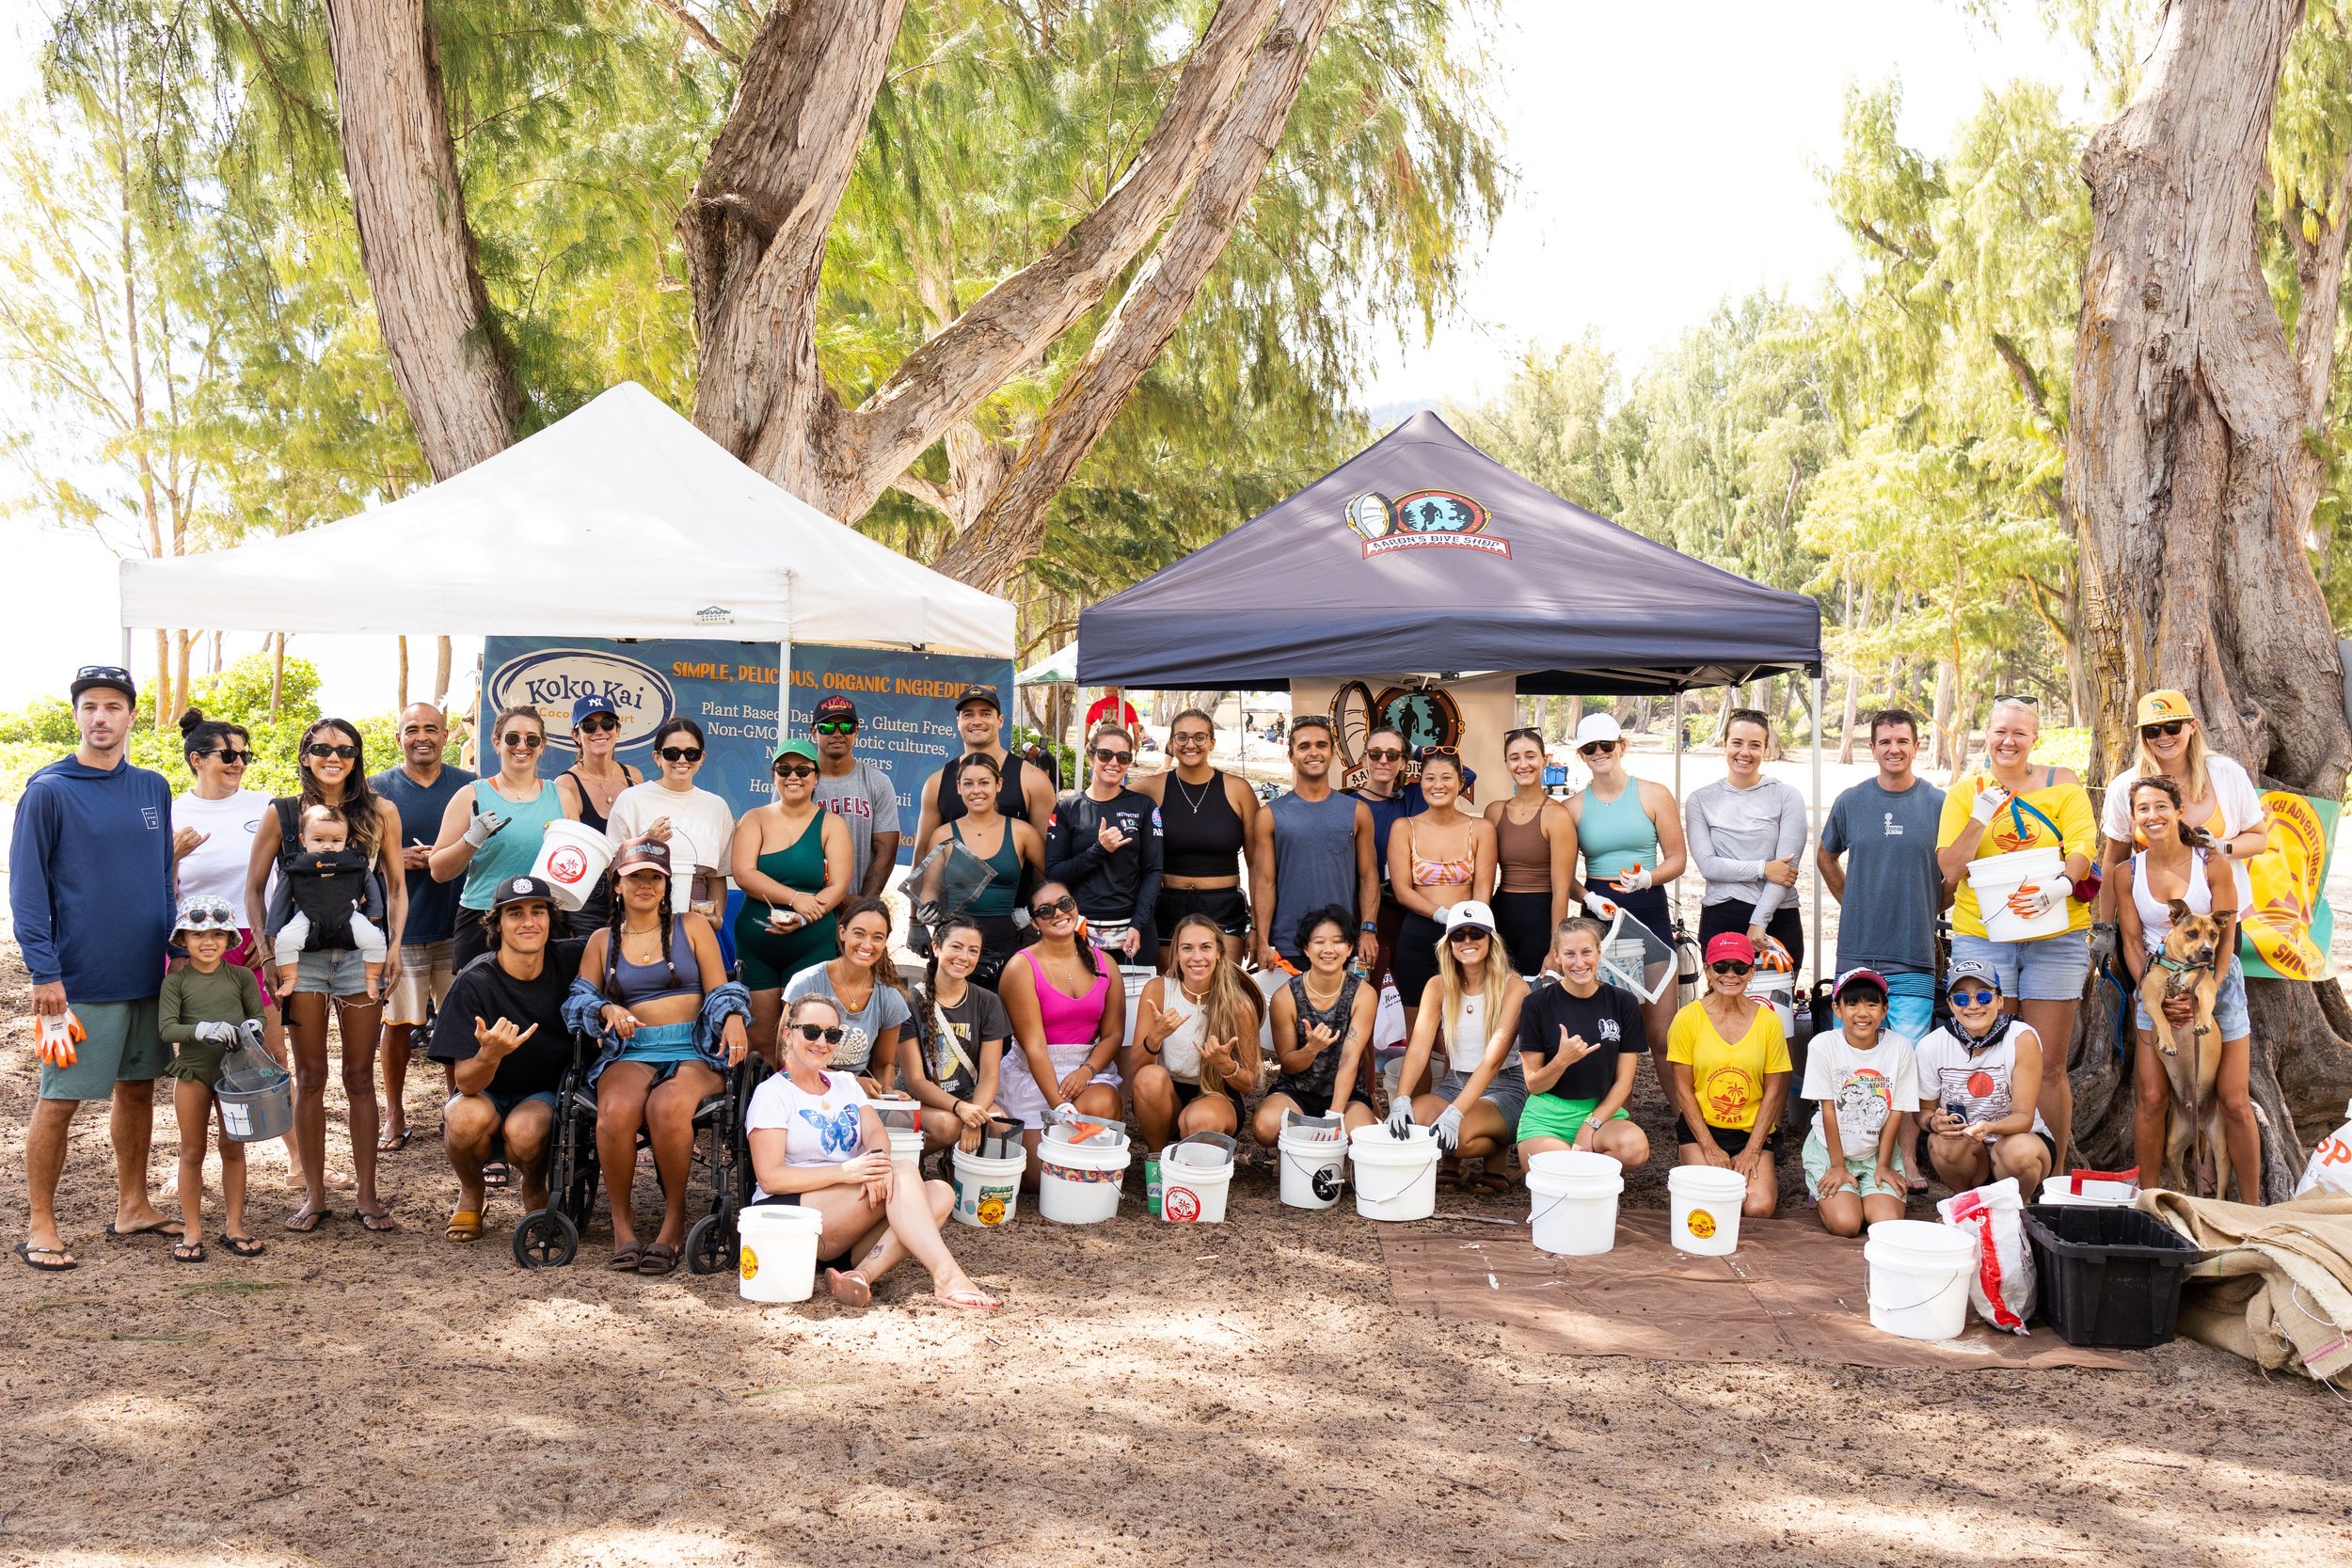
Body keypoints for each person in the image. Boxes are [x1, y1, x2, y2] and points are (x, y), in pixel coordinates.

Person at [13, 665, 179, 1270]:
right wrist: (44, 973)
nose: (101, 717)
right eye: (90, 707)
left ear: (132, 715)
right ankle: (41, 1221)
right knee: (59, 1100)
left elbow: (164, 881)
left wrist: (176, 954)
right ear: (76, 714)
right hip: (74, 985)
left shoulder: (152, 787)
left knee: (136, 1091)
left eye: (113, 706)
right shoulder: (49, 790)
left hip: (146, 978)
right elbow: (28, 893)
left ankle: (132, 1205)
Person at [246, 718, 408, 1234]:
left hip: (362, 959)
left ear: (358, 756)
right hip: (305, 963)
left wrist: (396, 948)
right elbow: (254, 888)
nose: (332, 756)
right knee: (311, 1076)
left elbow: (396, 888)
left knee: (360, 1076)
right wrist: (269, 950)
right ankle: (314, 1196)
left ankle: (367, 1194)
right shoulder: (283, 813)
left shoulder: (381, 811)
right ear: (305, 754)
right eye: (321, 748)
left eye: (344, 748)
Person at [744, 993, 999, 1311]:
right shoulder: (773, 1094)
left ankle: (860, 1274)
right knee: (904, 1171)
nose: (822, 1041)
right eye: (811, 1031)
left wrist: (876, 1162)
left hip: (849, 1219)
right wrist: (846, 1172)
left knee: (940, 1193)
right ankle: (948, 1276)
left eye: (832, 1034)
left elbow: (876, 1133)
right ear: (788, 1033)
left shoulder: (846, 1084)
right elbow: (770, 1179)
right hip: (794, 1217)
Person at [564, 839, 750, 1274]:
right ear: (616, 885)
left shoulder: (692, 927)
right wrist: (605, 1008)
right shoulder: (601, 940)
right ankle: (622, 1225)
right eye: (635, 876)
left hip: (694, 1046)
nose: (645, 884)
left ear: (666, 885)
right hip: (632, 1049)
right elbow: (576, 1001)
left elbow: (721, 988)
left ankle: (672, 1221)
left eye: (655, 877)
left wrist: (735, 1016)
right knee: (616, 1109)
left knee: (667, 1106)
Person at [1934, 694, 2095, 1169]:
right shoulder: (1965, 791)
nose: (2008, 741)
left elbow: (2083, 845)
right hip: (1983, 935)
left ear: (2034, 738)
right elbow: (1948, 867)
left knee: (2046, 1064)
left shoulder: (2063, 786)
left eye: (2019, 733)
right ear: (1987, 735)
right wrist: (1981, 815)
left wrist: (2062, 884)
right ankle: (1990, 1162)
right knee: (1989, 1058)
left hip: (2056, 936)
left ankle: (2052, 1171)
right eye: (2000, 731)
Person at [2115, 775, 2260, 1203]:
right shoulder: (2128, 873)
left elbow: (2228, 934)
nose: (2153, 816)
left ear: (2179, 812)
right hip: (2157, 985)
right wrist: (2154, 991)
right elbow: (2130, 941)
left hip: (2218, 987)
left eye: (2162, 806)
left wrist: (2206, 988)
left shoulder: (2210, 863)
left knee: (2233, 1101)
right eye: (2143, 809)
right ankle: (2152, 1200)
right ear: (2134, 817)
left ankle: (2250, 1207)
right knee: (2153, 1098)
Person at [427, 876, 583, 1243]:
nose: (528, 922)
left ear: (551, 918)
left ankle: (533, 1187)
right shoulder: (474, 981)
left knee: (526, 1132)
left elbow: (622, 939)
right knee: (462, 1119)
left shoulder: (573, 959)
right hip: (485, 1094)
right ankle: (471, 1191)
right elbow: (465, 1083)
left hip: (544, 1092)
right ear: (497, 924)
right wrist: (490, 1054)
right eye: (515, 913)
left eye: (538, 911)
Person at [369, 701, 474, 1153]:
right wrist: (392, 860)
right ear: (399, 739)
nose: (422, 737)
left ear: (447, 735)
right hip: (403, 931)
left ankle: (459, 1107)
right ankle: (395, 1111)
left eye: (431, 728)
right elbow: (353, 857)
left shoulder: (470, 788)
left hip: (461, 927)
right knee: (397, 1024)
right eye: (412, 729)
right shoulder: (376, 791)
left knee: (461, 1025)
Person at [1565, 711, 1688, 1086]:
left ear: (1622, 746)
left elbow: (1678, 858)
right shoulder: (1571, 808)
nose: (1599, 752)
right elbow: (1564, 877)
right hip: (1600, 916)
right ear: (1582, 754)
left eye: (1606, 745)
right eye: (1590, 748)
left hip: (1648, 908)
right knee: (1610, 1035)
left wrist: (1648, 878)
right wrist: (1587, 898)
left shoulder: (1653, 793)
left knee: (1663, 1033)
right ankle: (1615, 1121)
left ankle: (1684, 1121)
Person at [1817, 707, 1949, 1046]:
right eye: (1886, 741)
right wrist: (1854, 902)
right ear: (1873, 748)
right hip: (1857, 952)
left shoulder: (1939, 804)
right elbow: (1825, 856)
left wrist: (1929, 906)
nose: (1895, 749)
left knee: (1909, 1056)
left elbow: (1957, 870)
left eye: (1903, 741)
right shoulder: (1851, 801)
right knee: (1851, 1055)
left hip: (1914, 954)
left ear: (1916, 746)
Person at [1388, 901, 1531, 1191]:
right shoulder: (1438, 985)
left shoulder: (1514, 986)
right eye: (1458, 935)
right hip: (1454, 1083)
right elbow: (1417, 1049)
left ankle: (1495, 1156)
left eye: (1476, 933)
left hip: (1504, 1085)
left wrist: (1455, 1112)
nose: (1467, 941)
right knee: (1413, 1124)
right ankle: (1463, 1161)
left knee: (1459, 1134)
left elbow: (1493, 1059)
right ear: (1448, 942)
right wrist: (1401, 1098)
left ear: (1491, 939)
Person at [157, 895, 268, 1262]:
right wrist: (200, 1029)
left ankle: (234, 1225)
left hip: (233, 1076)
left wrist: (253, 1027)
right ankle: (192, 1229)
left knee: (233, 1147)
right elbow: (167, 1028)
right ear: (183, 940)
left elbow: (259, 1016)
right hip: (193, 1073)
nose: (209, 942)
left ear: (229, 940)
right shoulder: (176, 982)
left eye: (218, 935)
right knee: (192, 1150)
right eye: (198, 935)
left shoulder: (240, 977)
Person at [2099, 688, 2271, 919]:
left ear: (2193, 727)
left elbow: (2259, 839)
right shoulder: (2125, 786)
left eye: (2173, 727)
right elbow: (2113, 859)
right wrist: (2106, 926)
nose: (2164, 737)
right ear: (2142, 737)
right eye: (2152, 730)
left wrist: (2220, 847)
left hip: (2217, 919)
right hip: (2148, 918)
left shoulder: (2227, 774)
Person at [733, 736, 854, 1053]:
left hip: (811, 943)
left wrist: (803, 916)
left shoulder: (832, 824)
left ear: (816, 777)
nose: (793, 777)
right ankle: (764, 1101)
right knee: (760, 1039)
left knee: (807, 1037)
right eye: (784, 769)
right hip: (758, 946)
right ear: (773, 775)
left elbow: (838, 886)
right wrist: (794, 898)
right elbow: (744, 874)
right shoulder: (754, 818)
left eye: (802, 769)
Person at [995, 881, 1126, 1174]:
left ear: (1075, 906)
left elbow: (1114, 1034)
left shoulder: (1105, 963)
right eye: (1045, 910)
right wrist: (1059, 1106)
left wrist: (1087, 1070)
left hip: (1085, 1069)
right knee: (1039, 1177)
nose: (1058, 913)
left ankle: (1089, 1171)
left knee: (1103, 1104)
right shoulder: (1021, 967)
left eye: (1065, 903)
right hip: (1035, 1071)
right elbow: (1034, 1047)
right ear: (1034, 922)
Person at [429, 705, 572, 972]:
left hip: (541, 921)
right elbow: (438, 870)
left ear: (542, 745)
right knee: (478, 1010)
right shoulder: (471, 796)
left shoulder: (561, 797)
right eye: (512, 737)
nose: (522, 745)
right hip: (484, 919)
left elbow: (576, 866)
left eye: (532, 739)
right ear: (496, 743)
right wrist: (471, 839)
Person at [1666, 932, 1790, 1220]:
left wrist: (1752, 1150)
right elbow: (1682, 1090)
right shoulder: (1687, 1019)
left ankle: (1753, 1163)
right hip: (1703, 1130)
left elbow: (1773, 1092)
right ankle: (1689, 1153)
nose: (1730, 975)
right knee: (1712, 1203)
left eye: (1740, 967)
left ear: (1752, 972)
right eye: (1721, 967)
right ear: (1708, 971)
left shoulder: (1769, 1021)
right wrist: (1709, 1147)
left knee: (1758, 1208)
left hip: (1752, 1132)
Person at [1513, 917, 1650, 1173]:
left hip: (1601, 1111)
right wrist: (1561, 1060)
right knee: (1568, 1170)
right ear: (1556, 956)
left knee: (1634, 1147)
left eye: (1586, 952)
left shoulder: (1623, 1002)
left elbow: (1624, 1082)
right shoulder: (1537, 1004)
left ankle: (1589, 1175)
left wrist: (1591, 1125)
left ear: (1599, 952)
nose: (1579, 962)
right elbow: (1534, 1084)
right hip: (1547, 1116)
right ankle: (1591, 1178)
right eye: (1569, 954)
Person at [1248, 717, 1381, 974]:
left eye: (1321, 745)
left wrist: (1368, 929)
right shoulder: (1270, 815)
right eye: (1304, 746)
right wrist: (1262, 939)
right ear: (1291, 755)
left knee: (1345, 1014)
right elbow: (1265, 882)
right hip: (1289, 944)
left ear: (1332, 752)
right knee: (1287, 1014)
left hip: (1342, 942)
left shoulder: (1357, 811)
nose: (1313, 752)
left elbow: (1368, 876)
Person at [1914, 958, 2055, 1196]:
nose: (1973, 1006)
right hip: (1966, 1150)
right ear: (1950, 1004)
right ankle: (1966, 1204)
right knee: (1940, 1143)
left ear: (2000, 1000)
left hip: (2019, 1141)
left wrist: (1989, 1127)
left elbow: (2024, 1117)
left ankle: (2018, 1208)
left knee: (2017, 1152)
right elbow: (1923, 1110)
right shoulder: (1931, 1045)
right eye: (1961, 998)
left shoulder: (2021, 1038)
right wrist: (1932, 1123)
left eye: (1983, 997)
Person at [1799, 968, 1919, 1237]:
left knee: (1885, 1225)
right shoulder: (1823, 1045)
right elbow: (1828, 1109)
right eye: (1852, 1003)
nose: (1862, 1013)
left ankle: (1865, 1189)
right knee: (1847, 1225)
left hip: (1876, 1151)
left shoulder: (1900, 1047)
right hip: (1831, 1150)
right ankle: (1826, 1190)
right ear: (1837, 1009)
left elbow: (1896, 1112)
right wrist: (1838, 1167)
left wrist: (1884, 1165)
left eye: (1872, 1004)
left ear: (1884, 1010)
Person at [1685, 708, 1808, 970]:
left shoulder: (1787, 796)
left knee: (1777, 1010)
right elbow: (1708, 866)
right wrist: (1764, 868)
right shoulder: (1700, 799)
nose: (1745, 753)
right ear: (1724, 745)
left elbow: (1785, 871)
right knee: (1722, 1007)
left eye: (1755, 745)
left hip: (1777, 918)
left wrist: (1759, 922)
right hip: (1721, 917)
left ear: (1766, 749)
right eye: (1737, 743)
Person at [1136, 707, 1259, 964]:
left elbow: (1257, 865)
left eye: (1199, 737)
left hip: (1223, 904)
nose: (1190, 744)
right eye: (1181, 737)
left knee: (1226, 993)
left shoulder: (1238, 790)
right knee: (1171, 992)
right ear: (1171, 743)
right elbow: (1108, 798)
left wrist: (1257, 927)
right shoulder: (1151, 788)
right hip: (1169, 904)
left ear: (1212, 742)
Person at [1389, 747, 1497, 1035]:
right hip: (1417, 938)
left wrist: (1467, 925)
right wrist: (1441, 915)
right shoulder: (1404, 827)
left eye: (1447, 777)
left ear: (1461, 782)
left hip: (1467, 937)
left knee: (1464, 1032)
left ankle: (1460, 1082)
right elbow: (1402, 890)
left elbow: (1484, 889)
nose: (1438, 785)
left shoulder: (1482, 829)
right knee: (1418, 1033)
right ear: (1420, 782)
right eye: (1430, 778)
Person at [914, 752, 1045, 988]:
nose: (976, 791)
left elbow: (1053, 879)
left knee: (1004, 1018)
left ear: (999, 785)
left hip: (1006, 940)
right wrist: (926, 909)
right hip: (955, 943)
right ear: (958, 787)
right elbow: (930, 888)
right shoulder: (943, 834)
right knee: (954, 1019)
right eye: (968, 783)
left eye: (984, 782)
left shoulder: (1022, 832)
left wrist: (1032, 913)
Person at [1135, 912, 1264, 1149]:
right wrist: (1156, 1036)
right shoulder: (1158, 990)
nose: (1197, 957)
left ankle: (1194, 1165)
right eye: (1187, 948)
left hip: (1217, 1096)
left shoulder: (1239, 1004)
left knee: (1198, 1120)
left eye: (1205, 947)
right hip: (1167, 1096)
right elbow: (1135, 1067)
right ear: (1176, 954)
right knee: (1148, 1078)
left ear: (1219, 953)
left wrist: (1226, 1064)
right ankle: (1158, 1162)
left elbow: (1249, 1084)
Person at [1251, 907, 1376, 1147]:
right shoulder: (1285, 997)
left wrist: (1334, 1117)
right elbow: (1287, 1063)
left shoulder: (1363, 994)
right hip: (1296, 1092)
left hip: (1347, 1095)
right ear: (1306, 949)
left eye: (1338, 942)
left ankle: (1324, 1145)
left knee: (1361, 1134)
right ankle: (1293, 1149)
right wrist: (1311, 1049)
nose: (1328, 950)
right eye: (1319, 942)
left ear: (1350, 948)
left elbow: (1350, 1058)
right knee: (1265, 1126)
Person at [1045, 723, 1164, 960]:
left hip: (1133, 929)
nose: (1114, 762)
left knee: (1136, 997)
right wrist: (1098, 850)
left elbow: (1154, 871)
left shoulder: (1144, 806)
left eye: (1123, 757)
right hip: (1081, 929)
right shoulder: (1067, 808)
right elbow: (1054, 874)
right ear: (1091, 757)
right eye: (1105, 754)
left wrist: (1138, 924)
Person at [606, 718, 737, 924]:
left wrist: (717, 916)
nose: (682, 760)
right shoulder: (632, 799)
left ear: (702, 758)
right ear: (657, 757)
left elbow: (717, 875)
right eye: (672, 753)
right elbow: (612, 867)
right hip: (641, 904)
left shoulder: (717, 806)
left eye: (691, 753)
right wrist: (647, 841)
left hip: (696, 909)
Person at [898, 915, 1008, 1156]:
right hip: (918, 1099)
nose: (963, 957)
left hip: (967, 1096)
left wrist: (974, 1115)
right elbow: (916, 1081)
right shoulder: (909, 1002)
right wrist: (961, 1110)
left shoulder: (988, 1002)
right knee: (948, 1126)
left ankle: (962, 1175)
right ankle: (902, 1164)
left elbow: (989, 1075)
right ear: (936, 947)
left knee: (1000, 1124)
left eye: (973, 951)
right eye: (956, 947)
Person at [783, 896, 913, 1089]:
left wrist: (886, 1093)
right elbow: (785, 1054)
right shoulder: (807, 983)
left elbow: (884, 1064)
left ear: (885, 942)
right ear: (843, 933)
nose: (867, 945)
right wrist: (850, 1083)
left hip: (853, 1096)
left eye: (877, 937)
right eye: (859, 934)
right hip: (801, 1086)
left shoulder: (889, 999)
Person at [910, 686, 1055, 854]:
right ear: (958, 722)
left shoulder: (1033, 780)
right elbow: (922, 854)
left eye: (985, 713)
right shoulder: (936, 783)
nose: (977, 721)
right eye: (968, 714)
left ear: (1000, 721)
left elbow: (1047, 858)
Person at [1486, 728, 1581, 975]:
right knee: (1497, 1000)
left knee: (1532, 1002)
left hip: (1540, 919)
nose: (1523, 764)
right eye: (1514, 758)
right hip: (1500, 915)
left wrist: (1555, 946)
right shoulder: (1494, 811)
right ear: (1506, 763)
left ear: (1544, 761)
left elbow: (1561, 891)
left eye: (1530, 756)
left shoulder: (1557, 815)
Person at [272, 804, 389, 1001]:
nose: (327, 846)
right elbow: (280, 899)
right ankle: (290, 978)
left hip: (348, 914)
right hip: (308, 914)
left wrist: (375, 910)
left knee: (376, 939)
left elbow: (370, 884)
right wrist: (272, 928)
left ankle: (371, 977)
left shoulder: (354, 862)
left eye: (336, 841)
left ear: (347, 840)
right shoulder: (296, 865)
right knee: (285, 940)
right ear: (303, 840)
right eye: (318, 840)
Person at [550, 693, 642, 936]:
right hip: (590, 889)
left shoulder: (634, 776)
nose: (599, 731)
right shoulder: (566, 784)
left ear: (618, 730)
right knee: (590, 959)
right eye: (589, 726)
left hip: (633, 884)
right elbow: (571, 853)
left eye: (607, 724)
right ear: (576, 735)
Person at [808, 695, 903, 899]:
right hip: (808, 906)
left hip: (859, 903)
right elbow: (782, 846)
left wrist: (863, 906)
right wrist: (836, 899)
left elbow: (885, 851)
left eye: (846, 727)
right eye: (826, 727)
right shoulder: (798, 780)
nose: (837, 733)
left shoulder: (878, 782)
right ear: (813, 733)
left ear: (856, 732)